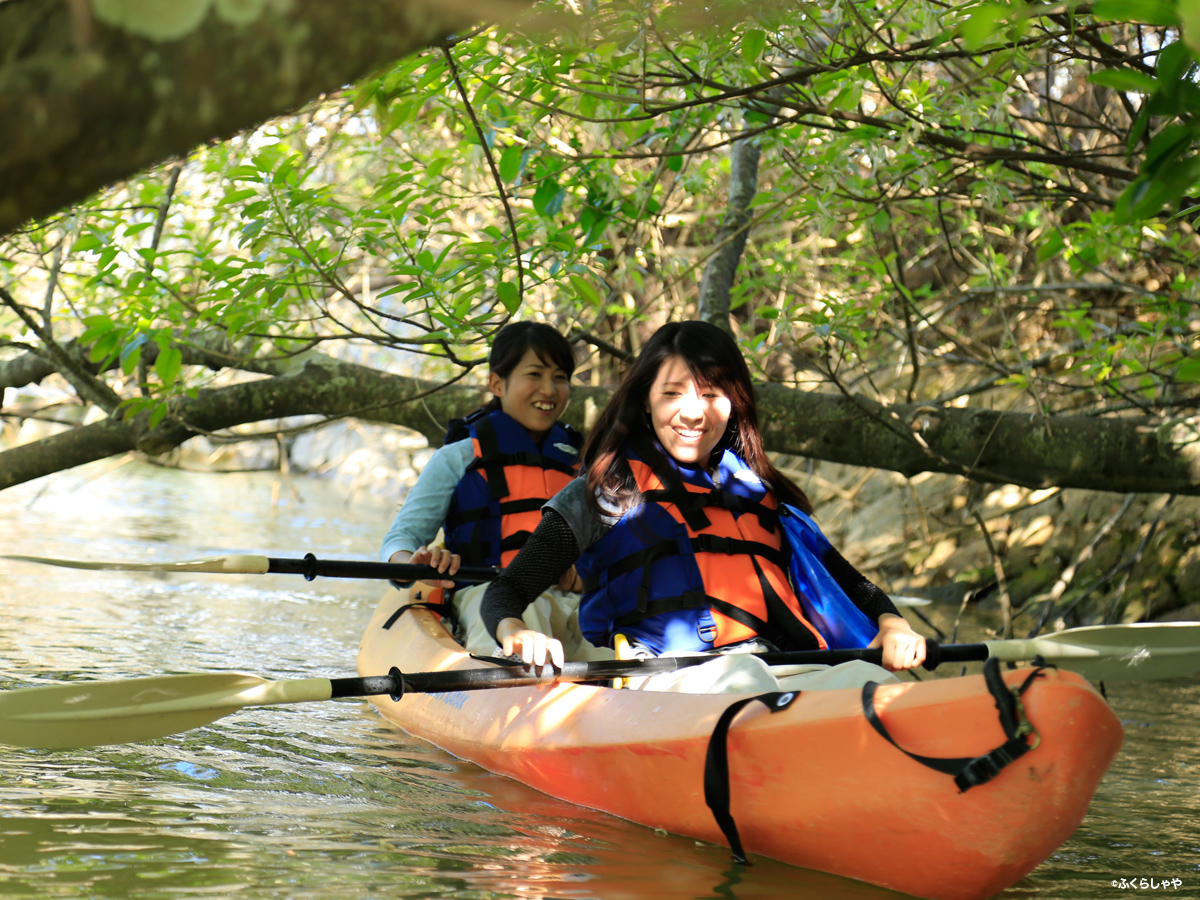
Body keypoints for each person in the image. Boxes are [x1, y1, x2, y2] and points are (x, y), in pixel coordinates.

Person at [478, 320, 927, 693]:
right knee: (744, 679)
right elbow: (505, 591)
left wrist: (892, 625)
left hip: (776, 669)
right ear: (645, 400)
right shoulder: (605, 493)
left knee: (875, 683)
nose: (693, 413)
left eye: (711, 395)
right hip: (666, 679)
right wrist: (516, 632)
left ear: (734, 404)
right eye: (673, 393)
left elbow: (854, 585)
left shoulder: (761, 495)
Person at [379, 321, 607, 661]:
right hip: (489, 596)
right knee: (527, 617)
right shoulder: (458, 457)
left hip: (571, 604)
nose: (549, 389)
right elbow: (400, 540)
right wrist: (414, 563)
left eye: (560, 378)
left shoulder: (584, 463)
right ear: (497, 383)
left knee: (607, 639)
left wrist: (585, 576)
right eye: (535, 374)